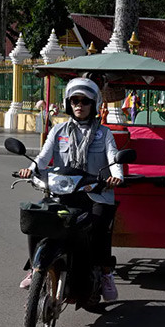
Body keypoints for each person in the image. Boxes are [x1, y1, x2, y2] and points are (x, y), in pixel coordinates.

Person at [17, 77, 123, 301]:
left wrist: (116, 177)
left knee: (97, 228)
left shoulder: (104, 134)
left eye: (84, 101)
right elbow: (43, 158)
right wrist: (30, 170)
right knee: (37, 218)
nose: (79, 105)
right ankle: (36, 267)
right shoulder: (58, 130)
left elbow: (114, 158)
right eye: (75, 100)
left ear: (93, 104)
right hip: (64, 192)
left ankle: (105, 273)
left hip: (96, 193)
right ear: (68, 103)